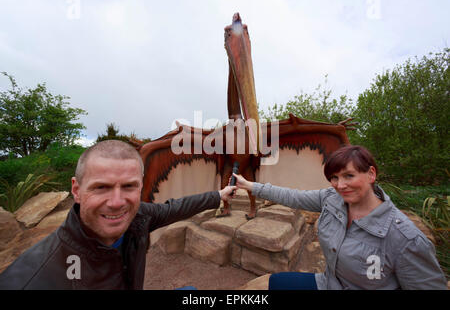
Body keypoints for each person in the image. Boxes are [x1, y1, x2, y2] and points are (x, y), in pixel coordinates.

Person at [0, 140, 237, 289]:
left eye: (128, 187)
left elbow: (175, 207)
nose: (116, 203)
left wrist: (219, 195)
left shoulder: (140, 217)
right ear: (76, 190)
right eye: (101, 187)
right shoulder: (33, 278)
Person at [233, 145, 447, 290]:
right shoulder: (331, 199)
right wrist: (250, 185)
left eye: (349, 176)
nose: (340, 185)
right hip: (329, 283)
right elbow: (293, 197)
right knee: (277, 282)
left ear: (371, 174)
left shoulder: (405, 238)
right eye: (334, 177)